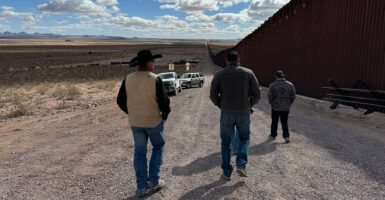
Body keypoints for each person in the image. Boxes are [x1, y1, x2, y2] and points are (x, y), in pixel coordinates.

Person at [117, 50, 170, 197]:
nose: (153, 63)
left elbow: (120, 101)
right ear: (147, 63)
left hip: (136, 123)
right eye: (152, 60)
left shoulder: (128, 79)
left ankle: (141, 187)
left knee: (139, 153)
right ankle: (154, 181)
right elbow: (164, 101)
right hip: (153, 121)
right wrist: (164, 115)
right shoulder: (155, 79)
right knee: (158, 147)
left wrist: (131, 112)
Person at [210, 51, 261, 180]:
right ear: (238, 59)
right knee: (244, 138)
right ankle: (241, 165)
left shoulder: (220, 74)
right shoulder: (248, 73)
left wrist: (221, 105)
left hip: (227, 113)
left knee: (226, 142)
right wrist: (249, 105)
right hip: (244, 112)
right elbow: (257, 94)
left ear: (227, 61)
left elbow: (213, 95)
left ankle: (227, 173)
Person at [268, 70, 296, 143]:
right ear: (283, 76)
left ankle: (273, 135)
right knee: (284, 122)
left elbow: (270, 96)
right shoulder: (290, 84)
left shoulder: (272, 85)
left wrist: (271, 102)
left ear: (276, 76)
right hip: (286, 106)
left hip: (275, 106)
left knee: (274, 121)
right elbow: (293, 95)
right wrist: (289, 102)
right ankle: (286, 136)